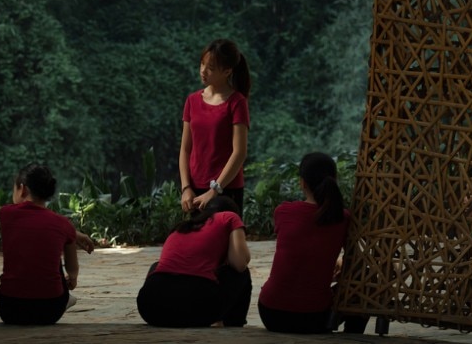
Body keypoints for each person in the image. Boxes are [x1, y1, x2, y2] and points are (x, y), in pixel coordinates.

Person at [257, 152, 367, 334]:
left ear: (302, 182)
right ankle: (352, 337)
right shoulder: (343, 218)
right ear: (335, 180)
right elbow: (355, 263)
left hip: (271, 313)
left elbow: (300, 251)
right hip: (313, 318)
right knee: (362, 288)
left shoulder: (282, 212)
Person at [136, 195, 252, 327]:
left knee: (157, 266)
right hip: (196, 309)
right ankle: (234, 323)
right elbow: (239, 263)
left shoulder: (182, 226)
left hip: (151, 309)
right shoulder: (229, 217)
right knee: (240, 273)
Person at [0, 163, 81, 325]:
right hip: (49, 311)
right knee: (52, 256)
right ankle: (66, 298)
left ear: (22, 189)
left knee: (36, 247)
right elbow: (72, 268)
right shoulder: (63, 225)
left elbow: (33, 225)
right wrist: (72, 278)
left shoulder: (5, 214)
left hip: (10, 309)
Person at [179, 39, 251, 213]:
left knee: (226, 240)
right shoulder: (192, 100)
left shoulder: (237, 102)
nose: (203, 71)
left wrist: (215, 189)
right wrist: (186, 187)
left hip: (227, 189)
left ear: (227, 71)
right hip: (195, 190)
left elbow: (239, 152)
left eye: (210, 68)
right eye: (202, 64)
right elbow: (185, 149)